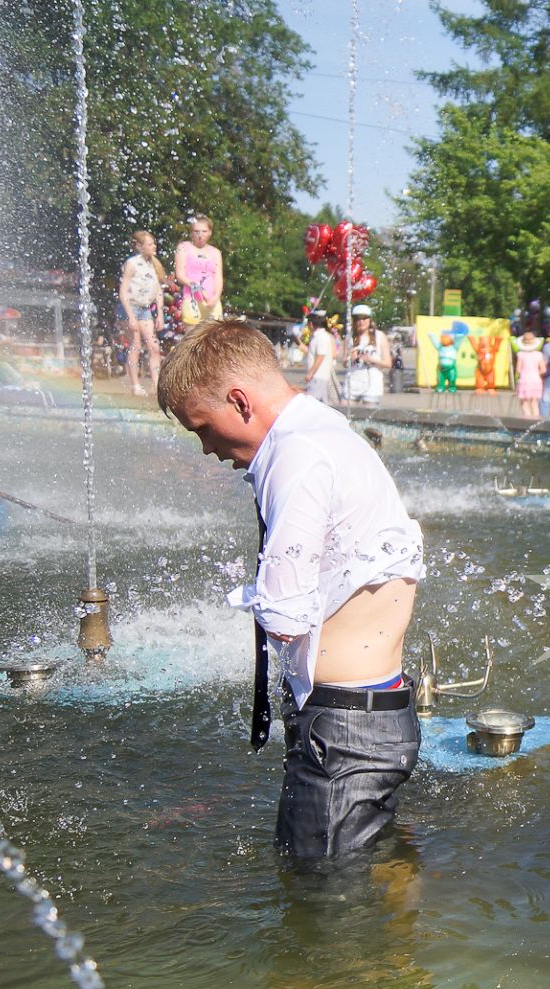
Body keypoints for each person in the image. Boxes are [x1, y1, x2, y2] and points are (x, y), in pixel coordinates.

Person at [155, 320, 423, 858]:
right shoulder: (323, 428)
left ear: (239, 400)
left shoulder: (297, 456)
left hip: (343, 730)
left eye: (202, 427)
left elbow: (285, 611)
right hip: (372, 710)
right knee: (363, 879)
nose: (207, 448)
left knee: (323, 906)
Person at [117, 230, 168, 395]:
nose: (154, 246)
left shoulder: (153, 264)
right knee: (136, 346)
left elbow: (158, 291)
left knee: (153, 346)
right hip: (130, 308)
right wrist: (130, 316)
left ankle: (155, 384)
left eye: (154, 243)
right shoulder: (131, 264)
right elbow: (123, 291)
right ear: (139, 246)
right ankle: (135, 385)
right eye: (150, 244)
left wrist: (159, 313)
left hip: (145, 310)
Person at [173, 216, 224, 328]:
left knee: (215, 337)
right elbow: (180, 275)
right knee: (192, 337)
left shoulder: (215, 252)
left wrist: (215, 297)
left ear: (210, 232)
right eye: (196, 231)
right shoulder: (184, 247)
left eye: (204, 231)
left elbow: (218, 277)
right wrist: (198, 287)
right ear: (192, 232)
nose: (200, 234)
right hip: (192, 299)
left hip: (212, 300)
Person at [342, 305, 392, 407]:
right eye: (358, 319)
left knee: (369, 417)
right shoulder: (349, 338)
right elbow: (344, 363)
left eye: (364, 318)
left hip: (372, 384)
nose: (361, 322)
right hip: (353, 383)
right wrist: (351, 358)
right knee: (344, 414)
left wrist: (372, 359)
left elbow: (388, 363)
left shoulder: (379, 336)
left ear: (370, 320)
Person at [306, 313, 340, 404]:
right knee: (324, 405)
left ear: (311, 324)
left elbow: (321, 356)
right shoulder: (319, 336)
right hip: (319, 376)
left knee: (312, 403)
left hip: (318, 375)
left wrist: (311, 373)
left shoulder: (321, 337)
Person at [514, 332, 544, 419]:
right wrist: (536, 373)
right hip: (536, 380)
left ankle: (527, 421)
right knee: (534, 402)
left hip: (524, 380)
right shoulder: (539, 355)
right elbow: (543, 369)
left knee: (524, 402)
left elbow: (518, 370)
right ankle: (536, 421)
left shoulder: (520, 354)